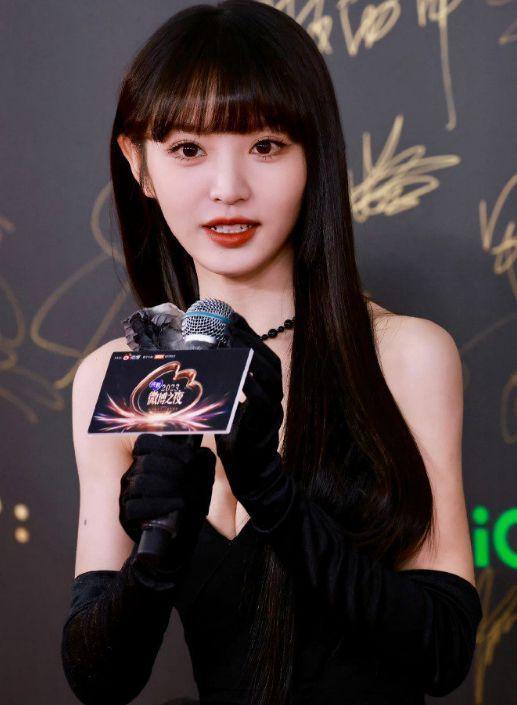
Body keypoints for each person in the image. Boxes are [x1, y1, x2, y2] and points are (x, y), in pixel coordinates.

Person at [60, 2, 483, 704]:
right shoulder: (121, 377)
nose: (228, 189)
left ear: (313, 153)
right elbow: (97, 678)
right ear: (139, 163)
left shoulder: (405, 355)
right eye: (188, 149)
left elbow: (443, 650)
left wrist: (273, 494)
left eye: (265, 145)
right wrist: (155, 555)